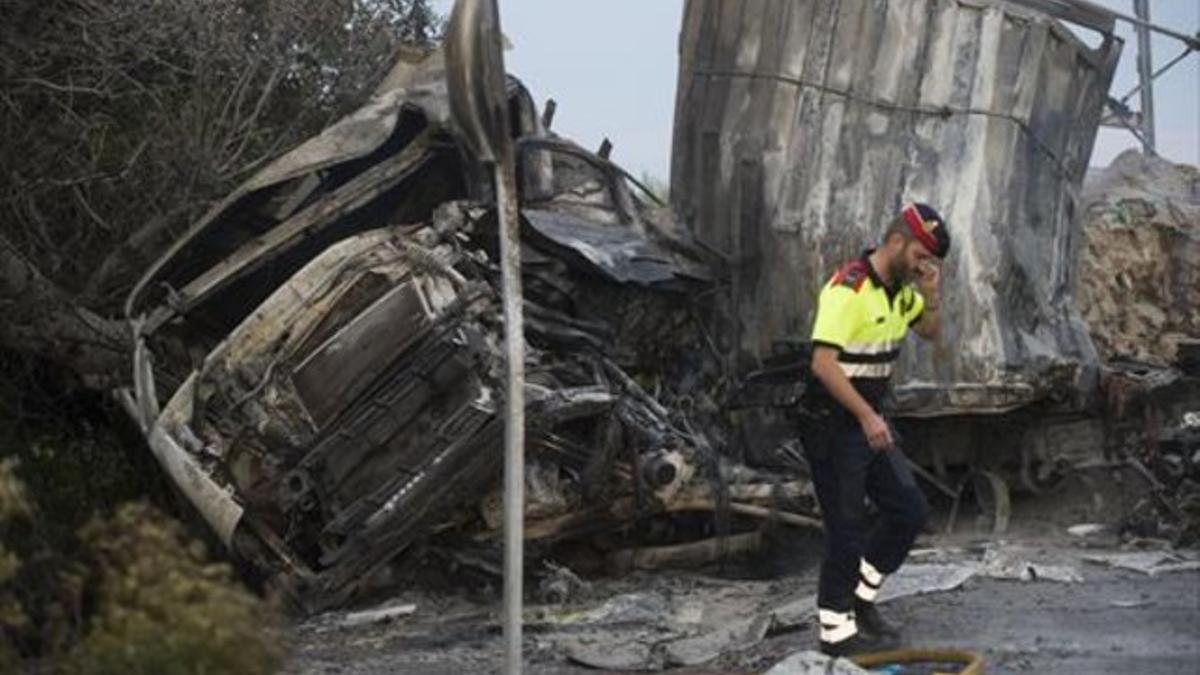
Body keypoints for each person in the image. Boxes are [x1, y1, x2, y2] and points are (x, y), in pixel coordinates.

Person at [804, 202, 951, 656]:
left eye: (931, 261)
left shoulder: (901, 291)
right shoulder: (848, 288)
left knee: (907, 510)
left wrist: (930, 293)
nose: (923, 265)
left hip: (869, 417)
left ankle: (861, 599)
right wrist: (867, 416)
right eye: (921, 256)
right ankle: (835, 631)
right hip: (832, 420)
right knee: (845, 527)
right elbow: (823, 365)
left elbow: (928, 332)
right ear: (896, 242)